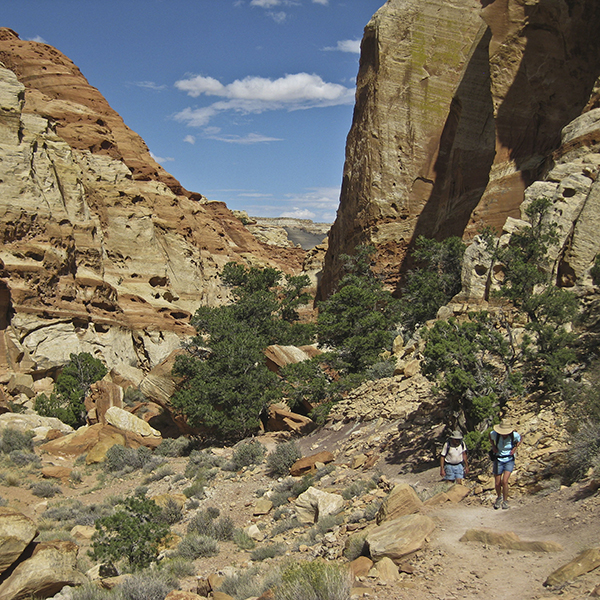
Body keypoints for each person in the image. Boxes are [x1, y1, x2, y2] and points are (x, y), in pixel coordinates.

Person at [489, 420, 521, 509]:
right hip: (498, 459)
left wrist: (515, 448)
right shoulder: (495, 434)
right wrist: (494, 446)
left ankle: (505, 500)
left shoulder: (514, 435)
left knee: (505, 481)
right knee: (498, 482)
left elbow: (520, 439)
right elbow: (490, 436)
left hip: (509, 459)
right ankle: (499, 497)